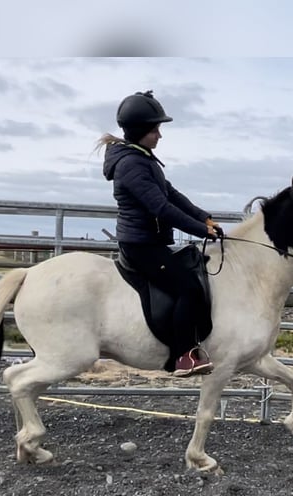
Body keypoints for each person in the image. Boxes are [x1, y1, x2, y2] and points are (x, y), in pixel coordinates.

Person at [96, 90, 223, 377]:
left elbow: (172, 195)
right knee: (189, 287)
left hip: (151, 242)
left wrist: (204, 218)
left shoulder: (144, 158)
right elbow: (161, 208)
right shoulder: (131, 165)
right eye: (156, 129)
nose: (159, 135)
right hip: (142, 246)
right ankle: (182, 356)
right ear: (142, 130)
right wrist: (199, 230)